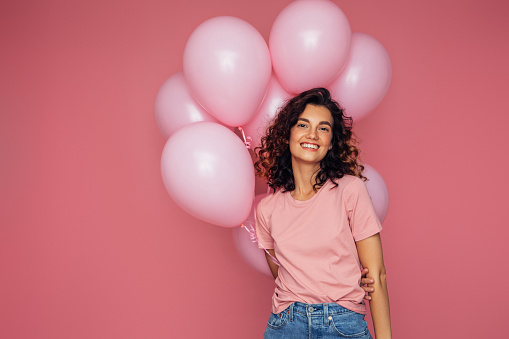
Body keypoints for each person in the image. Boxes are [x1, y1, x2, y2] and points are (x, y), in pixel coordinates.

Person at [254, 88, 391, 339]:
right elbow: (282, 272)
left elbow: (377, 276)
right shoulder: (266, 209)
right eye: (303, 124)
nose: (313, 135)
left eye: (323, 128)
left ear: (331, 143)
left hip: (342, 323)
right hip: (286, 325)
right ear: (288, 135)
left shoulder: (350, 190)